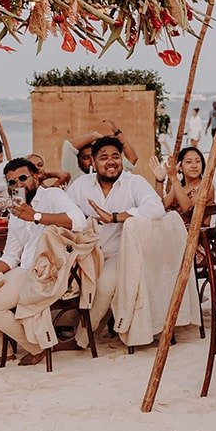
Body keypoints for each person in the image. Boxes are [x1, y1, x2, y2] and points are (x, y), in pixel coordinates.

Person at [0, 157, 87, 365]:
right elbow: (11, 255)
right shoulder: (15, 211)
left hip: (48, 272)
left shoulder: (52, 195)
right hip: (23, 270)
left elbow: (78, 221)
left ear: (36, 177)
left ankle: (36, 348)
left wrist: (36, 216)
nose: (18, 185)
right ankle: (3, 350)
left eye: (23, 178)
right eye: (12, 182)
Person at [66, 136, 165, 324]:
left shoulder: (133, 182)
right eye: (103, 158)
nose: (111, 161)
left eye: (115, 156)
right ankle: (66, 327)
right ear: (93, 162)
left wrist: (114, 217)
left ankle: (84, 338)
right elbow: (64, 214)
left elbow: (156, 208)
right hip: (86, 254)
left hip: (120, 254)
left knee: (104, 286)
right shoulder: (80, 185)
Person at [162, 146, 206, 220]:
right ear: (180, 167)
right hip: (172, 229)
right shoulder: (179, 187)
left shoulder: (206, 186)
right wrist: (159, 181)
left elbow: (188, 210)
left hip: (194, 231)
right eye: (189, 162)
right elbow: (162, 207)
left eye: (198, 161)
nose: (194, 166)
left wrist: (174, 178)